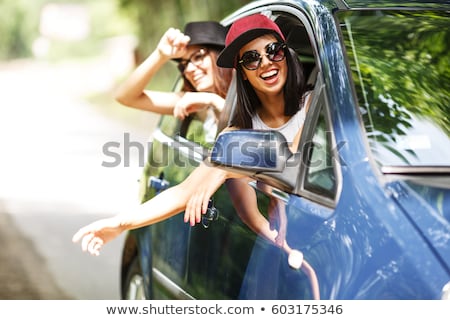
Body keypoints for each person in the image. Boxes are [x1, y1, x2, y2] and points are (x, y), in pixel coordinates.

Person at [72, 14, 313, 269]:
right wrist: (120, 223)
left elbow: (294, 158)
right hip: (267, 246)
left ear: (287, 54)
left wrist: (224, 169)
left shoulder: (311, 103)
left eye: (274, 51)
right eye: (251, 59)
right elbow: (185, 191)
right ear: (241, 72)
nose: (265, 62)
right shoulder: (234, 130)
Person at [114, 21, 233, 122]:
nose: (188, 69)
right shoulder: (194, 101)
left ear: (222, 55)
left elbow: (248, 130)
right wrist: (160, 55)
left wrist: (212, 100)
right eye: (184, 65)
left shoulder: (246, 90)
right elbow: (125, 97)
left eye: (198, 57)